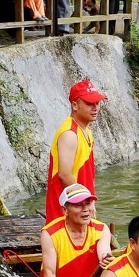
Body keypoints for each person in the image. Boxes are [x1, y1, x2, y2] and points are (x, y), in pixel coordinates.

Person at [39, 184, 112, 277]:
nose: (85, 209)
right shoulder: (50, 233)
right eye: (78, 205)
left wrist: (106, 259)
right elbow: (49, 275)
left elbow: (104, 251)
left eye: (88, 203)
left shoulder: (101, 229)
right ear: (65, 210)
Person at [46, 79, 104, 220]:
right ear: (75, 105)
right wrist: (87, 202)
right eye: (89, 104)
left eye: (97, 103)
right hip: (68, 210)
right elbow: (64, 174)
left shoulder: (86, 130)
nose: (95, 108)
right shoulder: (69, 134)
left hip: (80, 207)